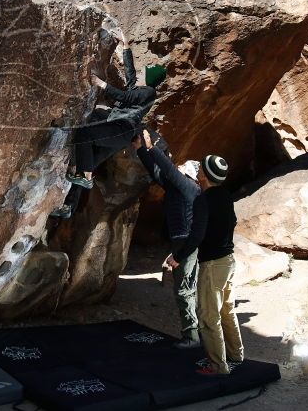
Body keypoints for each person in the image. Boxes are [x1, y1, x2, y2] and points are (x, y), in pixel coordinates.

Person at [132, 129, 206, 349]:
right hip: (180, 241)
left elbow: (168, 170)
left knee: (185, 289)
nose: (178, 170)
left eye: (182, 169)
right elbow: (158, 174)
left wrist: (151, 148)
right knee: (184, 289)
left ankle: (192, 337)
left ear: (189, 175)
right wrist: (140, 150)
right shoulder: (176, 189)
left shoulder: (190, 188)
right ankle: (194, 333)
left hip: (187, 244)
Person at [65, 37, 166, 190]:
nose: (139, 74)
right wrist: (126, 47)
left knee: (84, 135)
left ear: (149, 80)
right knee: (88, 159)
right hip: (120, 132)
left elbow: (125, 97)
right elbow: (130, 71)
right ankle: (72, 198)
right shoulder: (138, 90)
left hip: (122, 128)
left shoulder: (149, 92)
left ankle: (84, 176)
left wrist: (102, 84)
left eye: (143, 73)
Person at [193, 154, 244, 376]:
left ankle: (217, 366)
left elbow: (197, 234)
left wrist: (178, 255)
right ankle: (236, 354)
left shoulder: (204, 200)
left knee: (208, 315)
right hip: (228, 260)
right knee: (227, 310)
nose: (197, 171)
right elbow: (231, 222)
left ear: (204, 175)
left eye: (200, 169)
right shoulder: (225, 195)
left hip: (212, 264)